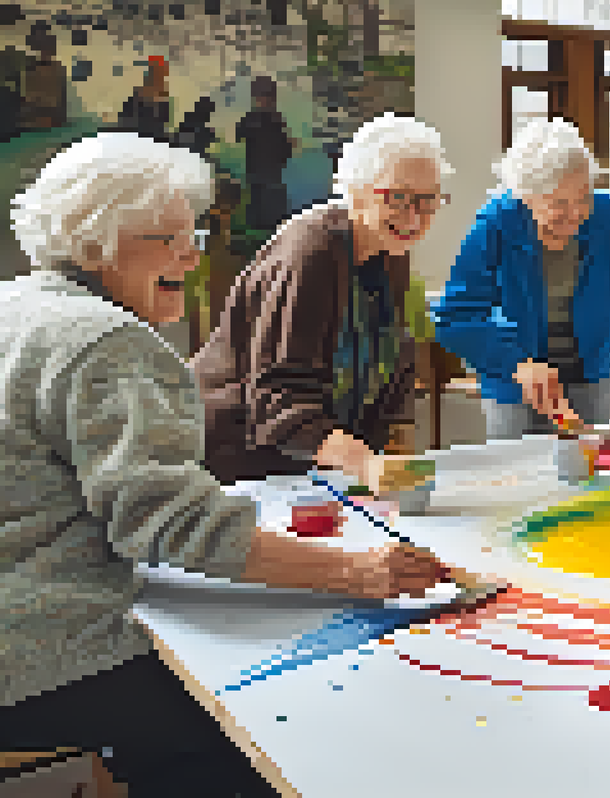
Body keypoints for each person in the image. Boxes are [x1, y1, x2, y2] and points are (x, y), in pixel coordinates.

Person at [1, 132, 443, 798]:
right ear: (97, 242)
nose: (192, 256)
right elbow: (170, 528)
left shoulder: (18, 304)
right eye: (169, 239)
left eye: (193, 236)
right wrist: (355, 571)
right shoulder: (107, 341)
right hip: (42, 654)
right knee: (270, 721)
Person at [192, 114, 450, 485]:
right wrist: (364, 463)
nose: (415, 216)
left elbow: (398, 360)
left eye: (430, 200)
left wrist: (395, 443)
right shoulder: (311, 251)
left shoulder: (392, 249)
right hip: (245, 465)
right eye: (398, 197)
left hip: (322, 467)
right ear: (356, 188)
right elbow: (277, 397)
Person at [433, 117, 610, 438]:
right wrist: (517, 365)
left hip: (594, 380)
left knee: (593, 476)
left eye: (584, 197)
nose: (576, 213)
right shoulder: (495, 225)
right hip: (515, 386)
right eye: (558, 203)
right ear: (523, 196)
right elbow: (454, 318)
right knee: (520, 477)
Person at [236, 76, 295, 231]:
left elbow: (239, 134)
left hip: (260, 171)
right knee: (267, 205)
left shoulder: (253, 118)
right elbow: (286, 148)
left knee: (261, 204)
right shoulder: (275, 118)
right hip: (269, 171)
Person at [20, 22, 67, 131]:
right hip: (38, 117)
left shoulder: (56, 68)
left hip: (49, 117)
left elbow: (60, 99)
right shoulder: (30, 67)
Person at [117, 55, 171, 140]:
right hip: (135, 139)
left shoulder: (164, 99)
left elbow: (162, 126)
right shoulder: (136, 98)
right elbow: (125, 124)